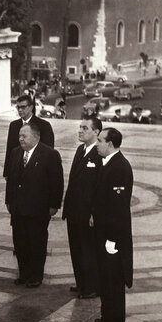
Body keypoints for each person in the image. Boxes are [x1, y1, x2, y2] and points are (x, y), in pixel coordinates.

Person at [5, 122, 63, 288]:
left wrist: (54, 205)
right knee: (20, 243)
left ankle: (36, 276)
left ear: (36, 137)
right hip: (18, 209)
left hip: (38, 209)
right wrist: (9, 201)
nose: (20, 139)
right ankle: (23, 274)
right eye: (19, 136)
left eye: (24, 136)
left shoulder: (49, 154)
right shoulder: (15, 153)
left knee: (36, 243)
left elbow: (56, 183)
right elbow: (11, 180)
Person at [91, 128, 133, 322]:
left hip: (112, 236)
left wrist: (112, 240)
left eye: (100, 140)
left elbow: (118, 208)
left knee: (113, 279)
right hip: (103, 232)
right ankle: (108, 315)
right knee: (105, 278)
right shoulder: (107, 163)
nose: (97, 144)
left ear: (110, 144)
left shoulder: (119, 168)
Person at [62, 118, 102, 300]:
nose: (80, 131)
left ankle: (92, 286)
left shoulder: (99, 154)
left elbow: (99, 186)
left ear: (96, 132)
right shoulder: (80, 150)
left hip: (87, 212)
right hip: (74, 210)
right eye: (79, 127)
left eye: (85, 128)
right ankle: (81, 282)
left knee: (88, 249)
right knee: (76, 247)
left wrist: (95, 212)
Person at [2, 94, 54, 179]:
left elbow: (49, 151)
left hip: (36, 171)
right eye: (18, 107)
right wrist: (7, 172)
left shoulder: (44, 125)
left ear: (31, 107)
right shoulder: (13, 125)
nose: (20, 110)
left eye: (23, 107)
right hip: (16, 171)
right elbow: (10, 149)